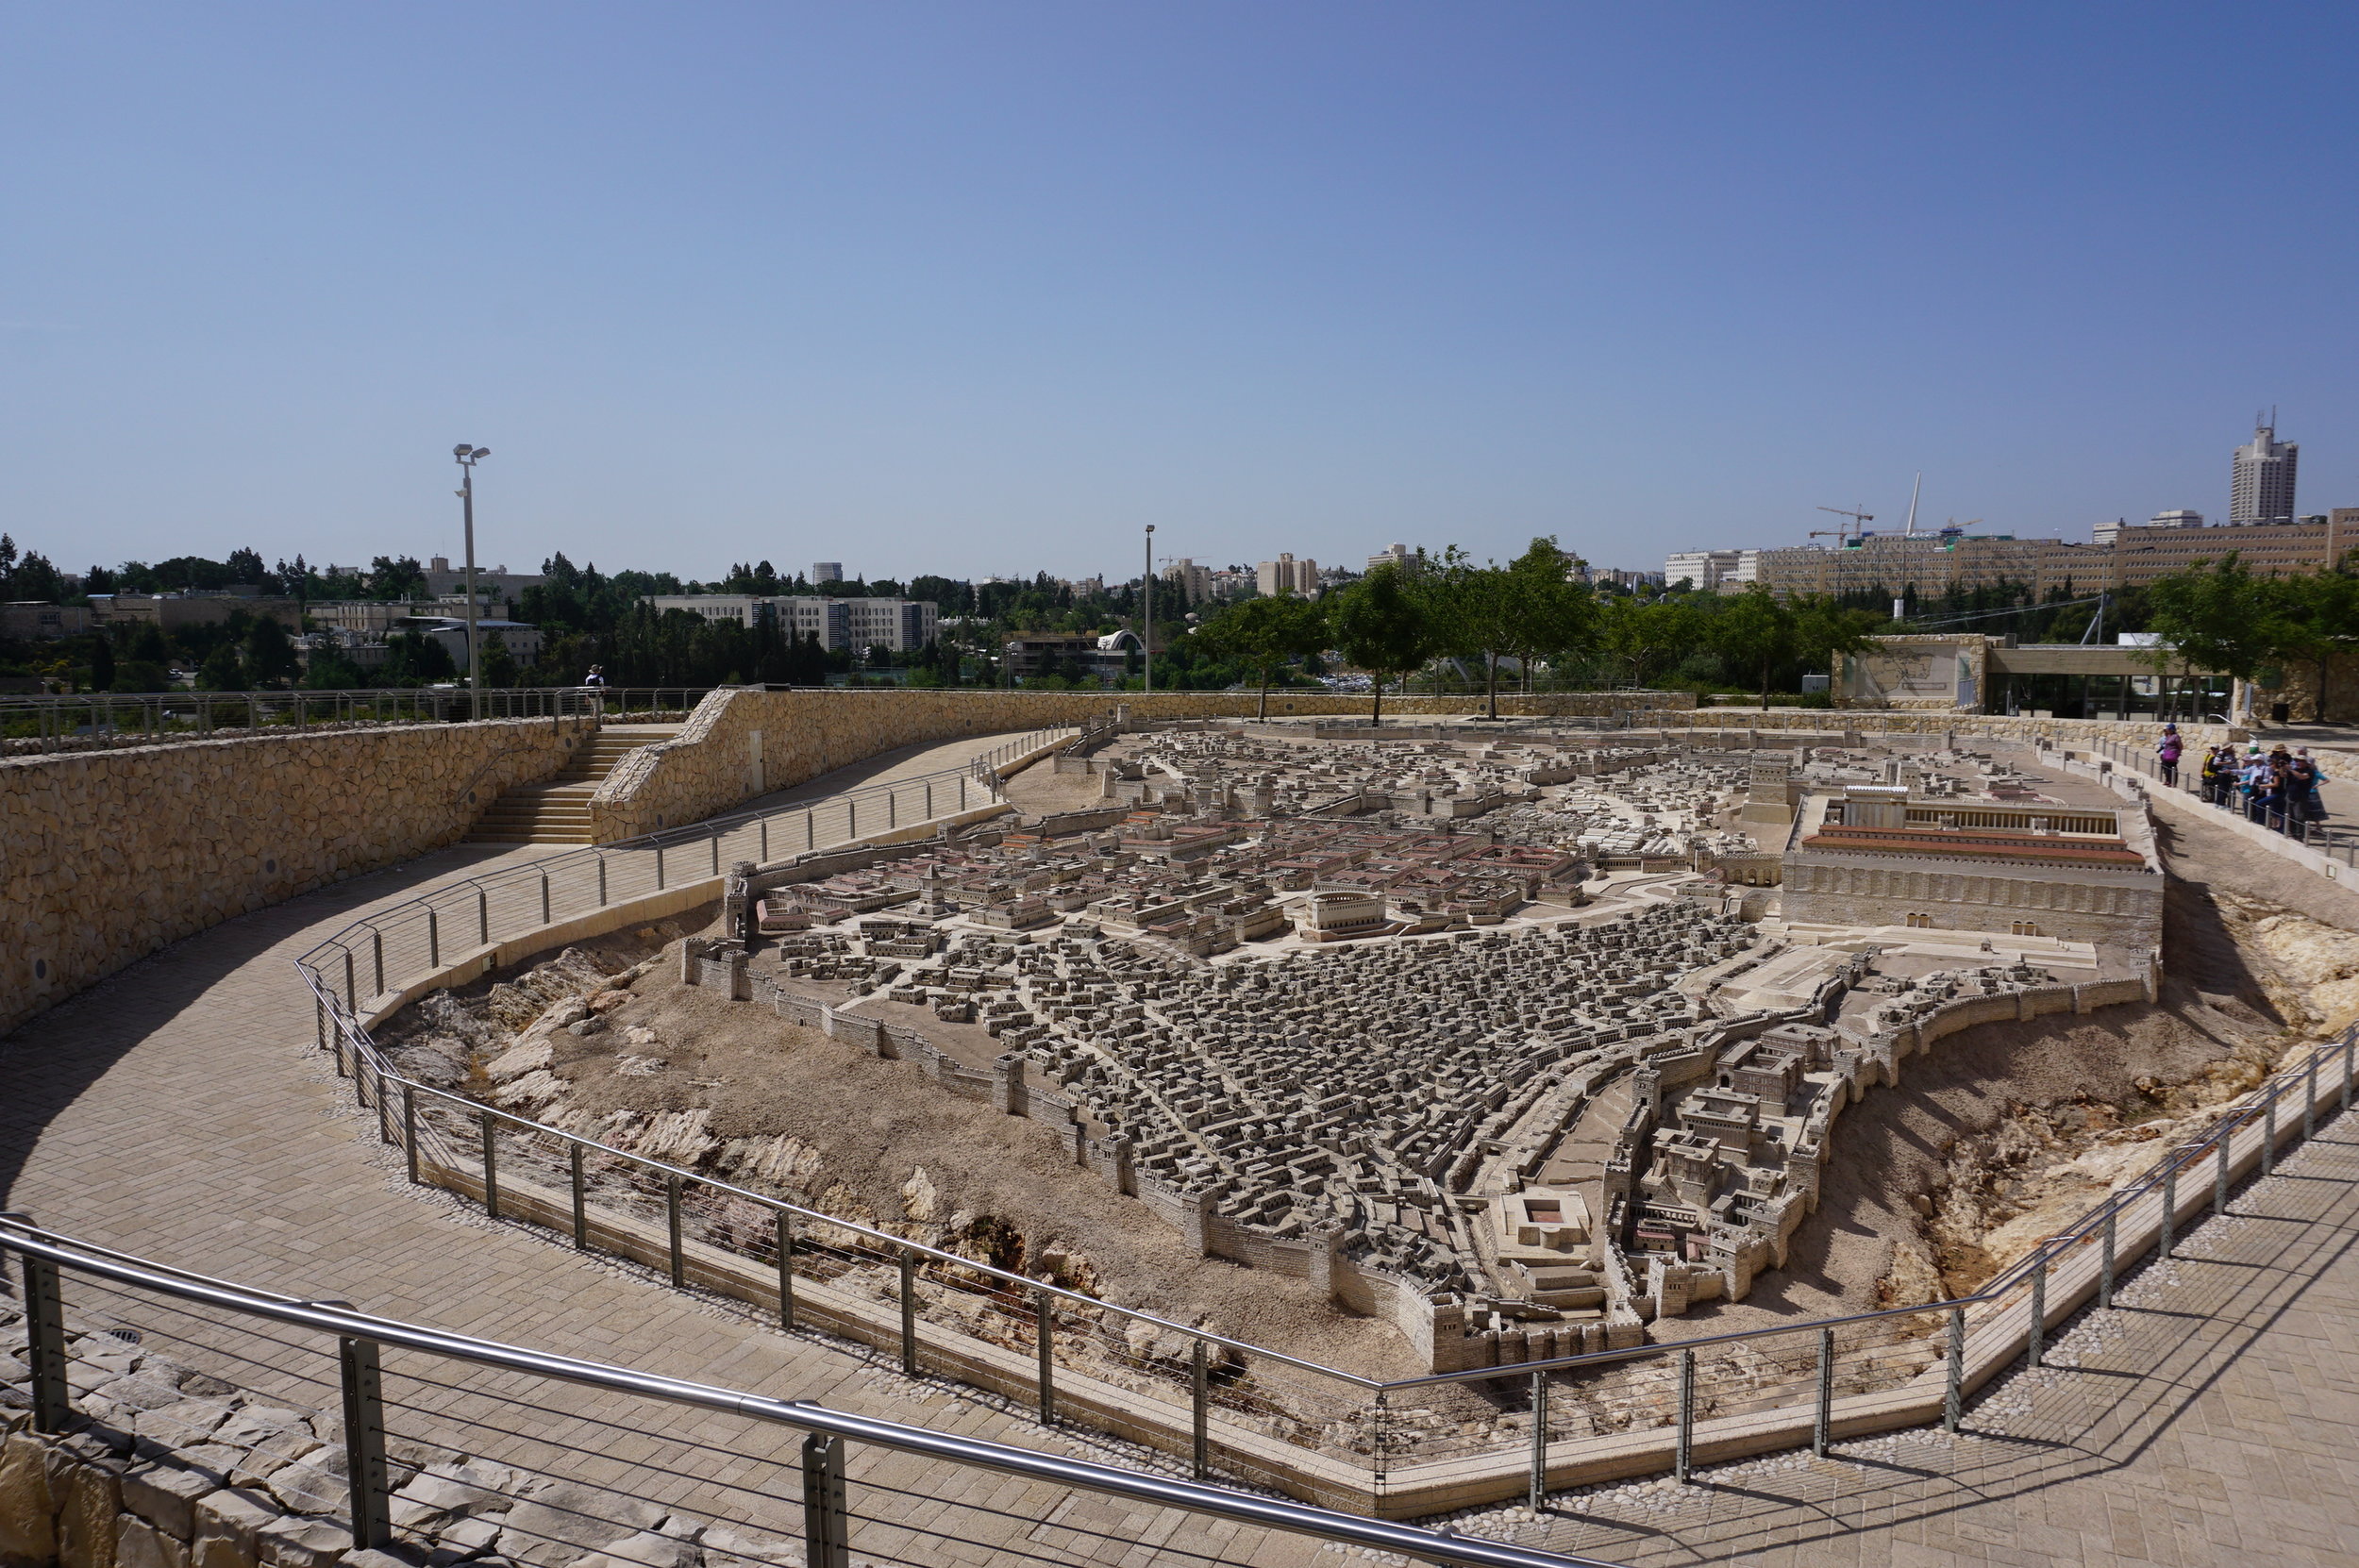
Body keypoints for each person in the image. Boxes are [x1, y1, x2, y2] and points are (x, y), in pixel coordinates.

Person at [2155, 724, 2183, 788]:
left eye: (2168, 729)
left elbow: (2180, 746)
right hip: (2166, 753)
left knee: (2172, 767)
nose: (2167, 730)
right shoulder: (2168, 736)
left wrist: (2178, 753)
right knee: (2166, 767)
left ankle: (2173, 782)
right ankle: (2168, 780)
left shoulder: (2176, 736)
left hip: (2172, 754)